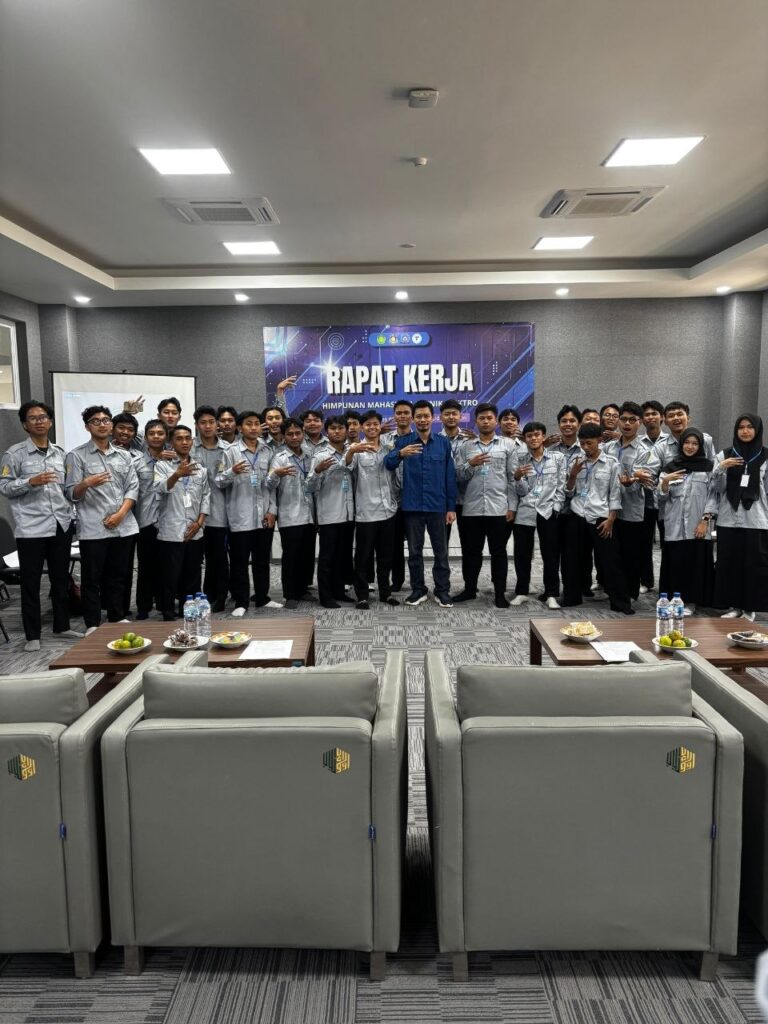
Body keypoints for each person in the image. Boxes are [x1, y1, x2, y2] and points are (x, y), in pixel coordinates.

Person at [0, 400, 82, 652]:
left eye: (43, 417)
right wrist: (30, 482)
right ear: (25, 424)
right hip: (32, 528)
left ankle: (62, 625)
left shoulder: (61, 453)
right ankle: (32, 635)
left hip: (60, 524)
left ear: (50, 421)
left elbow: (67, 489)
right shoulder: (14, 454)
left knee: (60, 579)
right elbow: (4, 487)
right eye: (33, 418)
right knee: (31, 583)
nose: (39, 421)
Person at [65, 405, 139, 634]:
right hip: (94, 527)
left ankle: (117, 616)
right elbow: (71, 493)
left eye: (106, 420)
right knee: (92, 578)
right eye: (96, 421)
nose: (102, 424)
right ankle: (92, 623)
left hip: (123, 525)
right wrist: (86, 483)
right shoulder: (76, 455)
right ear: (87, 427)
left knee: (118, 575)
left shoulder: (124, 455)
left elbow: (133, 488)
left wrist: (121, 514)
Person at [384, 400, 456, 608]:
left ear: (433, 418)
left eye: (426, 416)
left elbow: (449, 476)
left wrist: (451, 507)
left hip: (437, 506)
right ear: (413, 419)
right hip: (412, 506)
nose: (423, 420)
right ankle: (418, 589)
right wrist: (400, 453)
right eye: (419, 416)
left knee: (441, 552)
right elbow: (388, 464)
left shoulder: (443, 443)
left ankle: (442, 590)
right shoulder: (403, 441)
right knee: (414, 552)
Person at [215, 410, 281, 616]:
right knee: (240, 562)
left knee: (262, 561)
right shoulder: (230, 452)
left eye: (256, 424)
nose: (253, 427)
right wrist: (232, 472)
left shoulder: (268, 450)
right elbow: (219, 481)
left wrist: (272, 511)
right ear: (239, 428)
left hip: (263, 516)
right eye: (248, 424)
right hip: (240, 516)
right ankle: (241, 601)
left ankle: (262, 598)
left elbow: (273, 484)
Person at [453, 403, 517, 607]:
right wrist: (470, 464)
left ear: (496, 421)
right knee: (471, 552)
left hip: (498, 508)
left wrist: (512, 506)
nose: (486, 421)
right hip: (471, 508)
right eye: (482, 418)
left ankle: (500, 594)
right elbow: (457, 476)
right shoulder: (466, 447)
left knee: (498, 553)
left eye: (489, 418)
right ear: (476, 421)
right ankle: (469, 589)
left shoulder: (508, 445)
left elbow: (512, 478)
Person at [565, 423, 632, 614]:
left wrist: (611, 519)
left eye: (589, 443)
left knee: (610, 561)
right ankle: (571, 598)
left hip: (601, 517)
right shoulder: (576, 462)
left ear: (599, 441)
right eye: (582, 443)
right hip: (578, 514)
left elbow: (615, 494)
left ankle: (620, 602)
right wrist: (572, 476)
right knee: (572, 560)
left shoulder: (611, 463)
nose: (585, 447)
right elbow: (569, 493)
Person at [707, 414, 768, 622]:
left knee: (754, 566)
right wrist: (721, 468)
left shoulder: (765, 456)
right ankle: (734, 605)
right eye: (741, 427)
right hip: (728, 519)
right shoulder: (724, 455)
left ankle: (749, 608)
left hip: (756, 520)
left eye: (750, 427)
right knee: (729, 564)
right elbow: (715, 489)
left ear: (757, 430)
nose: (745, 431)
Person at [603, 402, 660, 601]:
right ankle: (614, 592)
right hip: (607, 509)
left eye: (632, 420)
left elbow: (649, 481)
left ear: (640, 422)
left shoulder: (646, 451)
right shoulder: (608, 447)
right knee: (611, 555)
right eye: (623, 419)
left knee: (631, 555)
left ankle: (629, 594)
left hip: (631, 510)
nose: (627, 424)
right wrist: (635, 475)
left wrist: (632, 481)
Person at [153, 424, 210, 620]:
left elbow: (206, 496)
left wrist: (199, 522)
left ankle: (189, 612)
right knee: (170, 574)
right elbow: (160, 488)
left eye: (188, 438)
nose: (184, 442)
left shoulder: (200, 468)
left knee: (193, 574)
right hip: (172, 529)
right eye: (179, 438)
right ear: (171, 442)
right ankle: (168, 612)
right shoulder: (162, 466)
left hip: (195, 529)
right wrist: (177, 474)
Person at [345, 410, 399, 609]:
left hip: (388, 510)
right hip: (366, 512)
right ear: (361, 427)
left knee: (386, 556)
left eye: (375, 424)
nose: (372, 427)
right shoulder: (355, 449)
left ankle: (386, 593)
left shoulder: (389, 447)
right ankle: (362, 595)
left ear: (380, 425)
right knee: (363, 556)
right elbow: (346, 467)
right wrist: (352, 452)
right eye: (367, 424)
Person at [657, 428, 715, 613]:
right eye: (687, 443)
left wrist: (705, 521)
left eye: (695, 443)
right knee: (675, 563)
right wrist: (665, 482)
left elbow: (713, 496)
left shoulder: (708, 467)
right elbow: (661, 499)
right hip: (674, 525)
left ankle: (690, 601)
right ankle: (674, 599)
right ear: (681, 445)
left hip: (698, 525)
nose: (690, 447)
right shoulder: (670, 468)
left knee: (694, 564)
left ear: (700, 446)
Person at [510, 421, 566, 609]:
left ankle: (551, 594)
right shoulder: (520, 459)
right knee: (522, 554)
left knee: (550, 554)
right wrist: (518, 477)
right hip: (526, 510)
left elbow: (561, 485)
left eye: (537, 435)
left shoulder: (557, 458)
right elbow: (522, 491)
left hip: (549, 510)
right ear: (524, 439)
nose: (533, 438)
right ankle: (521, 592)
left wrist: (556, 507)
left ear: (543, 437)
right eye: (529, 436)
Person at [305, 416, 355, 608]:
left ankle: (339, 591)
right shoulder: (321, 456)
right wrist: (317, 471)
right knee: (327, 558)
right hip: (329, 514)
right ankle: (325, 596)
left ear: (346, 430)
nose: (337, 431)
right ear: (327, 432)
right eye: (333, 428)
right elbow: (309, 487)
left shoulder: (352, 452)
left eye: (340, 428)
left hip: (348, 513)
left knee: (342, 557)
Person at [266, 417, 316, 609]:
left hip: (309, 513)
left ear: (303, 433)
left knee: (306, 555)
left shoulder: (309, 455)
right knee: (291, 556)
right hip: (290, 514)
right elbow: (269, 485)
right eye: (290, 434)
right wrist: (276, 474)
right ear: (284, 436)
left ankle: (303, 589)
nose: (294, 437)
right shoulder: (280, 458)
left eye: (297, 433)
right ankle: (290, 594)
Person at [547, 405, 588, 607]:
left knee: (571, 555)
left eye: (572, 421)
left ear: (579, 424)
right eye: (564, 421)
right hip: (554, 510)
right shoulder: (550, 451)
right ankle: (551, 591)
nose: (568, 424)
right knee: (551, 553)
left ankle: (572, 594)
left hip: (576, 510)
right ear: (559, 424)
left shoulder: (586, 449)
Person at [193, 404, 231, 612]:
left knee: (218, 557)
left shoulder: (227, 449)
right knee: (196, 558)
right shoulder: (189, 447)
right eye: (203, 423)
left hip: (218, 512)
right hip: (193, 513)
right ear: (197, 425)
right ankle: (199, 595)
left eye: (211, 422)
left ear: (217, 424)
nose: (207, 426)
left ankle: (220, 596)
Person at [130, 418, 167, 619]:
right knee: (145, 566)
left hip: (167, 519)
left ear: (166, 436)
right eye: (152, 434)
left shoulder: (173, 459)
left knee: (165, 564)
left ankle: (163, 603)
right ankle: (143, 606)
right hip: (144, 520)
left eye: (160, 433)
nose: (156, 437)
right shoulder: (136, 462)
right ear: (145, 438)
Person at [110, 411, 143, 617]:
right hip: (110, 516)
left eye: (130, 430)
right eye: (121, 428)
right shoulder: (103, 451)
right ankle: (110, 607)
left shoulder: (139, 455)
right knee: (110, 567)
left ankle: (122, 607)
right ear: (112, 429)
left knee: (126, 565)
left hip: (133, 517)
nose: (125, 432)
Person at [381, 399, 415, 592]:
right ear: (394, 415)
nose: (402, 416)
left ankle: (417, 583)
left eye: (406, 413)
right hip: (391, 500)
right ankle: (397, 580)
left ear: (412, 416)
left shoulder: (419, 438)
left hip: (413, 500)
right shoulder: (385, 439)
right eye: (399, 413)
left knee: (415, 545)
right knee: (393, 545)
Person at [638, 399, 669, 591]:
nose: (650, 417)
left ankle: (668, 582)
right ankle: (646, 581)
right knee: (644, 544)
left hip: (667, 501)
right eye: (647, 415)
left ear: (662, 417)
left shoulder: (671, 441)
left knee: (668, 544)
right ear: (642, 420)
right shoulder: (638, 443)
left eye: (654, 414)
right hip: (645, 500)